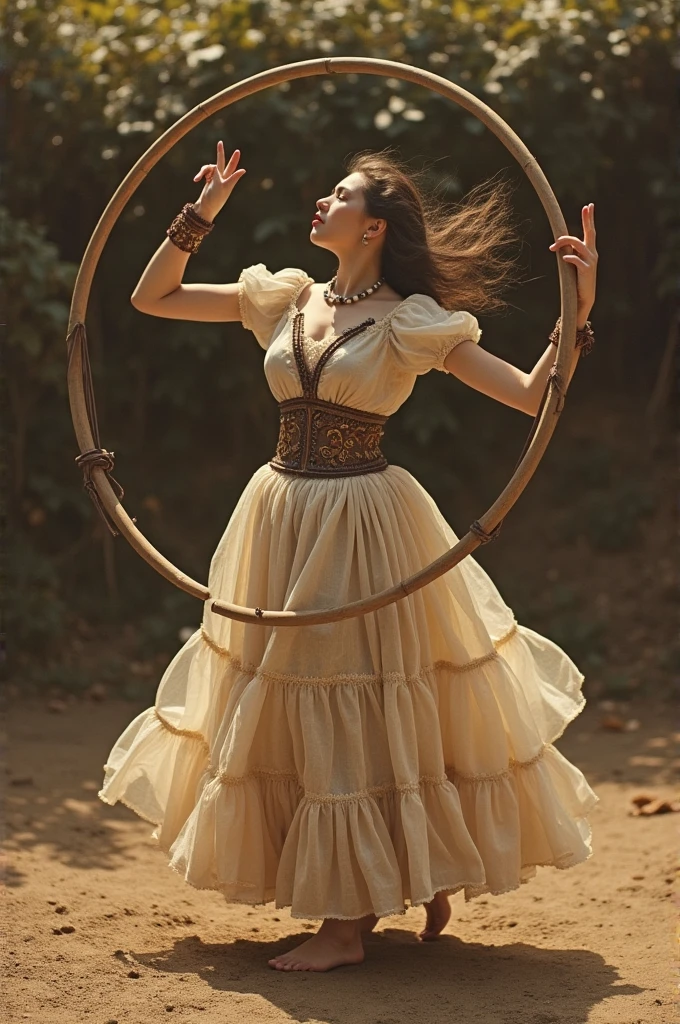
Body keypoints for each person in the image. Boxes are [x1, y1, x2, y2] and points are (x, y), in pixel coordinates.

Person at [98, 141, 600, 973]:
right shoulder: (290, 298)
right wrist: (202, 213)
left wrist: (580, 305)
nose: (320, 202)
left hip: (363, 521)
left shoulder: (408, 320)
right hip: (278, 514)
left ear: (375, 226)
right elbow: (153, 297)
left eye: (340, 194)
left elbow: (525, 394)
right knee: (292, 695)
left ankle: (345, 923)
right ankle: (404, 869)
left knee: (351, 692)